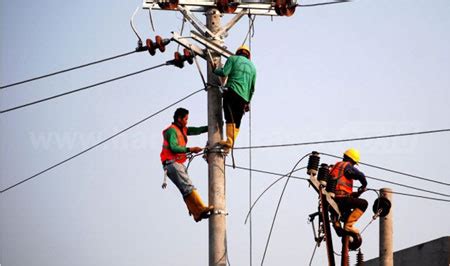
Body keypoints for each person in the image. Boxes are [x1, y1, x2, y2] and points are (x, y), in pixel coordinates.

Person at [160, 108, 213, 222]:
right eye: (186, 119)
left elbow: (196, 130)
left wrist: (210, 127)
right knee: (188, 186)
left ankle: (196, 213)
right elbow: (174, 147)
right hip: (172, 163)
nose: (187, 121)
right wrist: (191, 149)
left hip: (175, 163)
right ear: (179, 119)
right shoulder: (171, 131)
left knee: (185, 189)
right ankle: (201, 208)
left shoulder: (182, 129)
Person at [213, 45, 256, 150]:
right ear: (248, 56)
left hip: (232, 91)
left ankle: (229, 142)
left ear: (238, 53)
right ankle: (230, 142)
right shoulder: (253, 67)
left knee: (229, 116)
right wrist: (248, 102)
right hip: (244, 98)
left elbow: (224, 73)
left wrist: (214, 70)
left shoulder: (232, 59)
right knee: (237, 120)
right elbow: (252, 89)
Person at [329, 148, 368, 234]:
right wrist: (364, 184)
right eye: (354, 164)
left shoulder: (335, 167)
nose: (353, 166)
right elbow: (360, 175)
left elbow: (342, 191)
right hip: (341, 200)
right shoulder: (346, 165)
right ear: (352, 160)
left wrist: (358, 193)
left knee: (347, 215)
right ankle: (349, 226)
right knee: (363, 203)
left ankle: (338, 225)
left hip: (332, 201)